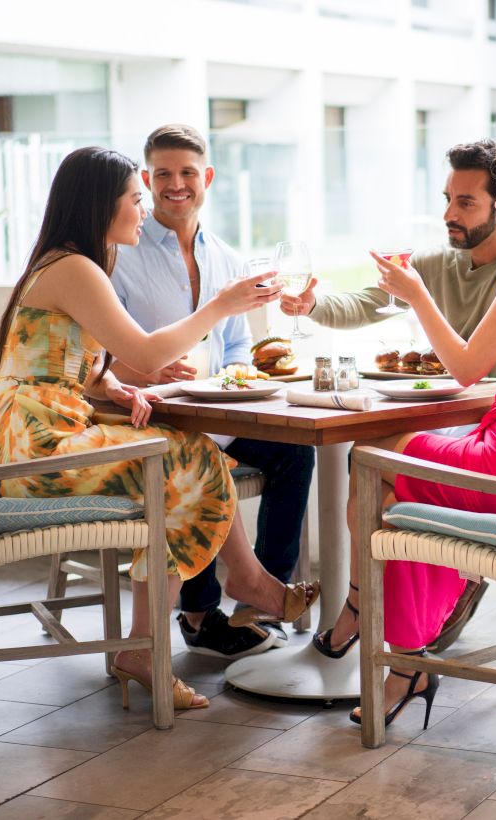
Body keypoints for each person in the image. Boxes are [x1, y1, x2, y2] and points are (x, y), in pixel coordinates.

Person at [0, 146, 319, 711]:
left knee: (183, 455)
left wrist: (107, 386)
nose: (144, 210)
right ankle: (234, 590)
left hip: (23, 431)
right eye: (136, 198)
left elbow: (56, 355)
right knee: (185, 459)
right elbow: (149, 354)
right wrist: (221, 307)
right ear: (103, 205)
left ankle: (171, 628)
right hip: (36, 449)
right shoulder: (76, 267)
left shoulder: (70, 262)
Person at [283, 139, 496, 651]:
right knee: (372, 474)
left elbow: (474, 366)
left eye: (467, 202)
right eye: (447, 199)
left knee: (373, 467)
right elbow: (364, 303)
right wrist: (312, 301)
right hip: (460, 417)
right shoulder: (436, 262)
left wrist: (418, 297)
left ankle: (389, 617)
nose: (449, 214)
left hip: (491, 423)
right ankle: (404, 625)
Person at [110, 124, 315, 660]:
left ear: (208, 177)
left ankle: (262, 593)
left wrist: (238, 379)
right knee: (200, 465)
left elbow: (237, 348)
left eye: (186, 173)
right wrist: (146, 372)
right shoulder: (121, 253)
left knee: (296, 450)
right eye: (162, 175)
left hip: (218, 412)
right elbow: (103, 353)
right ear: (147, 179)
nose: (175, 185)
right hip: (155, 418)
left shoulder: (225, 256)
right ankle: (200, 615)